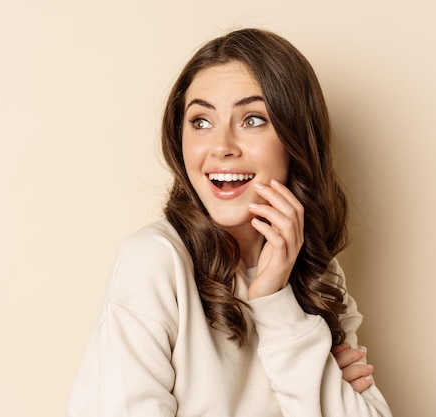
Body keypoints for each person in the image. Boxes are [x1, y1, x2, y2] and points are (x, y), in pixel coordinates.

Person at [67, 28, 392, 417]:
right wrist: (321, 384)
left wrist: (275, 301)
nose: (221, 146)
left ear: (296, 139)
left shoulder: (320, 274)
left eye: (252, 119)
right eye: (201, 122)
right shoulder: (156, 260)